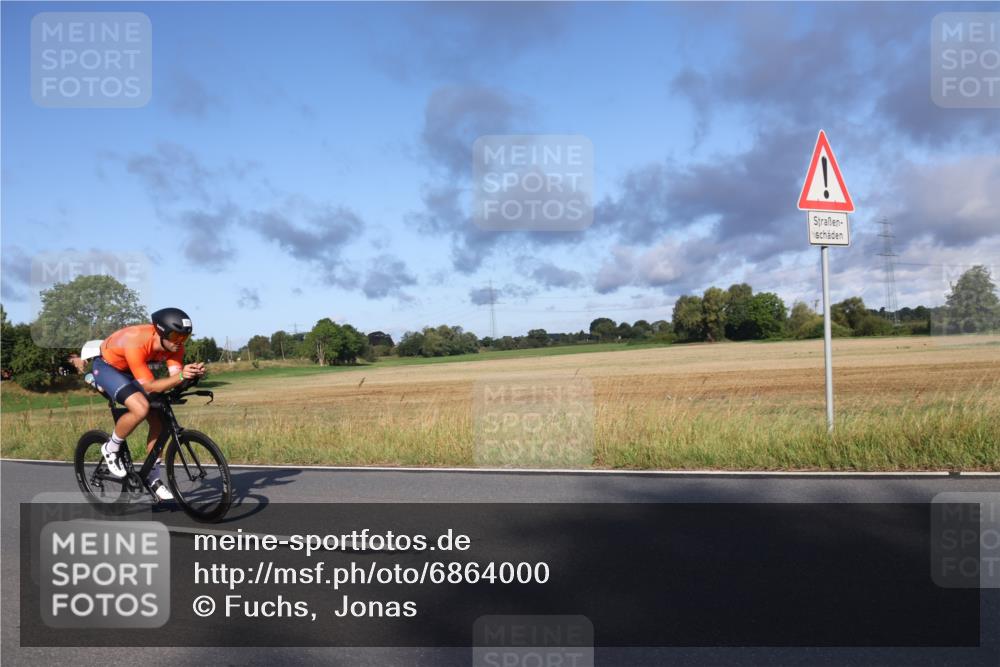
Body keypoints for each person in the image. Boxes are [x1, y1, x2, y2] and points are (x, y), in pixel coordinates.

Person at [91, 308, 206, 501]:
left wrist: (191, 375)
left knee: (159, 421)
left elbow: (173, 380)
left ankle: (152, 477)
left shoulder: (175, 347)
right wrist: (179, 376)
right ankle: (111, 448)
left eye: (184, 337)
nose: (180, 342)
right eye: (176, 336)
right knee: (141, 408)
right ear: (161, 332)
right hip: (108, 368)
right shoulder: (137, 341)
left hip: (133, 371)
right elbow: (152, 386)